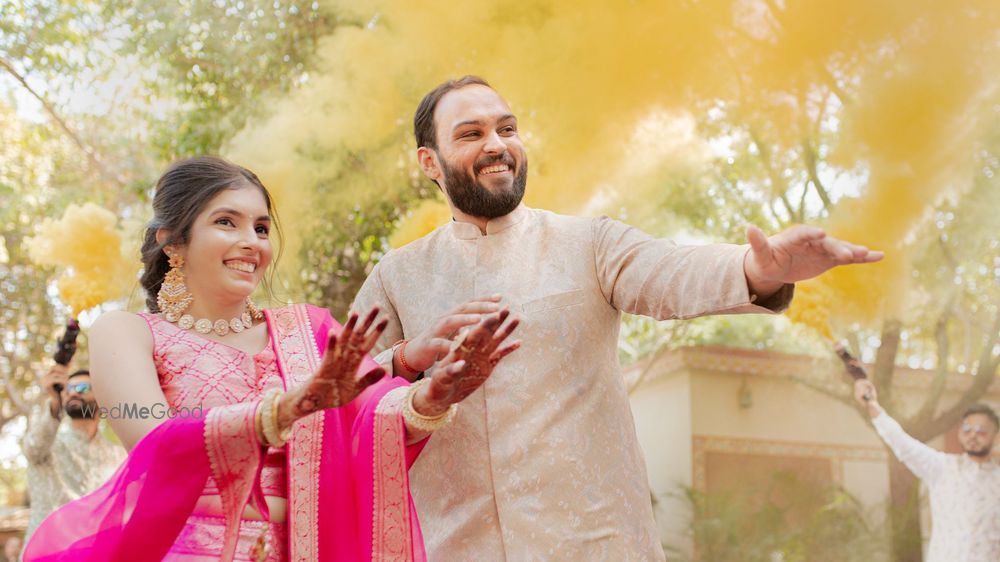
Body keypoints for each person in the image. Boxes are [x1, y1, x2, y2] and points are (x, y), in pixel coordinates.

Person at [351, 75, 885, 560]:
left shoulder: (588, 243)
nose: (497, 145)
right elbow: (341, 403)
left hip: (595, 544)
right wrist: (404, 360)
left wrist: (757, 270)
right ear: (429, 162)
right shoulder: (398, 276)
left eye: (506, 129)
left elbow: (673, 271)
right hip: (454, 545)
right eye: (471, 134)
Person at [23, 156, 519, 562]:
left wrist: (431, 396)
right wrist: (283, 410)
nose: (252, 242)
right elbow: (153, 440)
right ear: (172, 241)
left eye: (261, 228)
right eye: (226, 222)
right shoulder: (127, 331)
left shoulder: (307, 330)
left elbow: (369, 418)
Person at [854, 379, 1000, 561]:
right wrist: (872, 405)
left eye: (981, 431)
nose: (973, 436)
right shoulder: (942, 467)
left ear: (996, 436)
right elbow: (903, 443)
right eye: (967, 430)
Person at [22, 364, 124, 541]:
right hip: (46, 549)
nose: (74, 393)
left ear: (103, 400)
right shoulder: (49, 445)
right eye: (69, 388)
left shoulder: (119, 456)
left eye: (83, 388)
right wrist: (55, 402)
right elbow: (33, 448)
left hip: (96, 551)